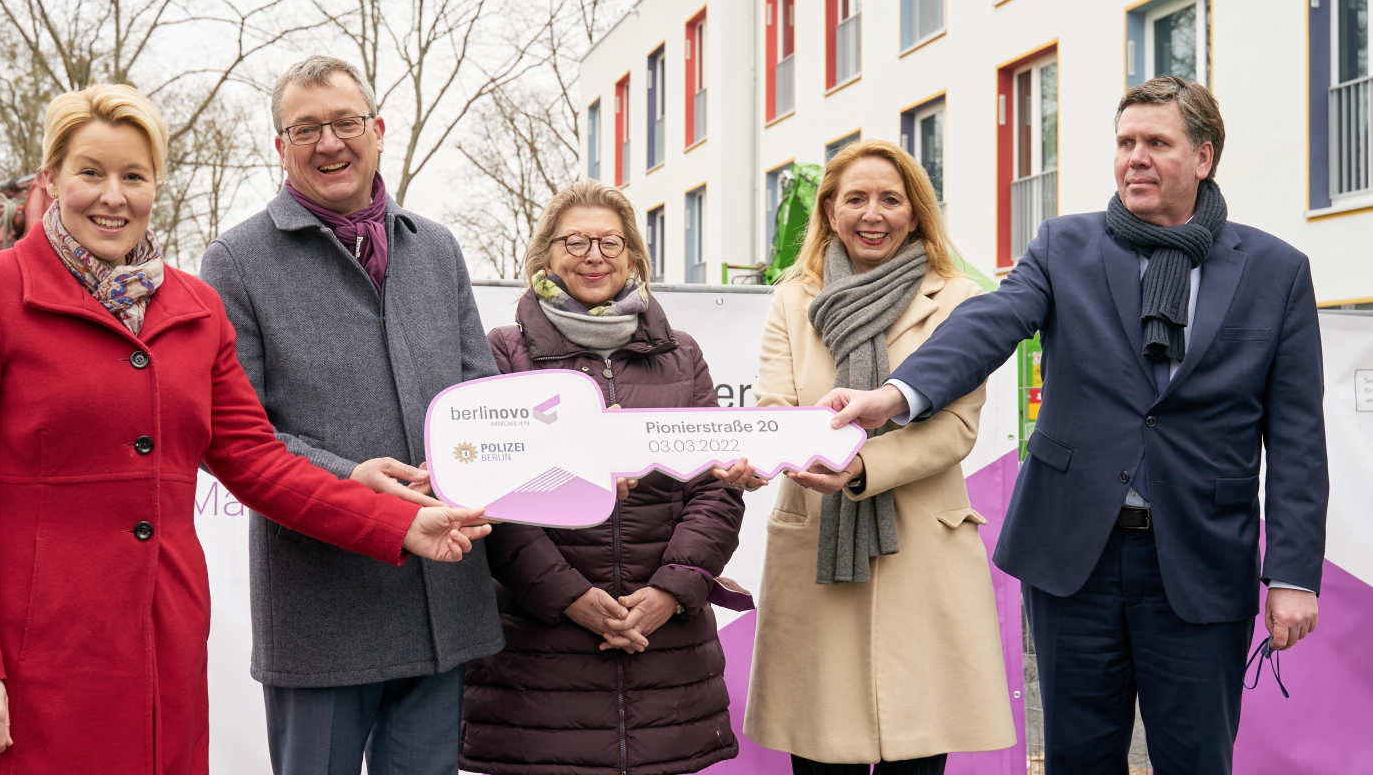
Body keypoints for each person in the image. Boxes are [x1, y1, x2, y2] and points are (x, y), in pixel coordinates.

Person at [0, 84, 490, 775]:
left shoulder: (194, 306)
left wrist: (393, 524)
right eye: (91, 173)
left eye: (134, 176)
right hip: (28, 659)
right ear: (52, 179)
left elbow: (257, 462)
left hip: (162, 650)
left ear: (156, 186)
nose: (112, 196)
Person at [823, 78, 1329, 775]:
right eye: (1126, 144)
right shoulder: (1066, 245)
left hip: (1202, 561)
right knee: (1077, 759)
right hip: (1074, 559)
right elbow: (989, 324)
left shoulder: (1276, 270)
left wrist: (1294, 575)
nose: (1135, 159)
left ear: (1203, 158)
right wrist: (896, 395)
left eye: (1157, 143)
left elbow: (1298, 435)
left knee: (1197, 759)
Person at [199, 55, 503, 775]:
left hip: (443, 599)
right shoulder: (235, 260)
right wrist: (350, 476)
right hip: (322, 607)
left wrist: (564, 463)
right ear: (279, 147)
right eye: (306, 129)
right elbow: (237, 433)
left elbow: (479, 397)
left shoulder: (438, 249)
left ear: (379, 130)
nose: (329, 143)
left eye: (345, 122)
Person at [715, 139, 1014, 774]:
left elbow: (956, 428)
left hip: (921, 550)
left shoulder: (956, 297)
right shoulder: (794, 298)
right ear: (828, 210)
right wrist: (762, 453)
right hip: (818, 543)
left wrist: (863, 469)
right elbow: (774, 406)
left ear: (915, 212)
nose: (872, 214)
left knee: (917, 754)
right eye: (855, 198)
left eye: (890, 199)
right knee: (823, 755)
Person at [459, 179, 746, 775]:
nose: (594, 255)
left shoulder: (683, 355)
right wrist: (569, 598)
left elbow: (714, 484)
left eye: (610, 242)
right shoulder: (504, 353)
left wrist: (671, 591)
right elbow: (490, 493)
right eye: (576, 241)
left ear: (635, 258)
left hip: (666, 651)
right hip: (539, 657)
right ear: (544, 258)